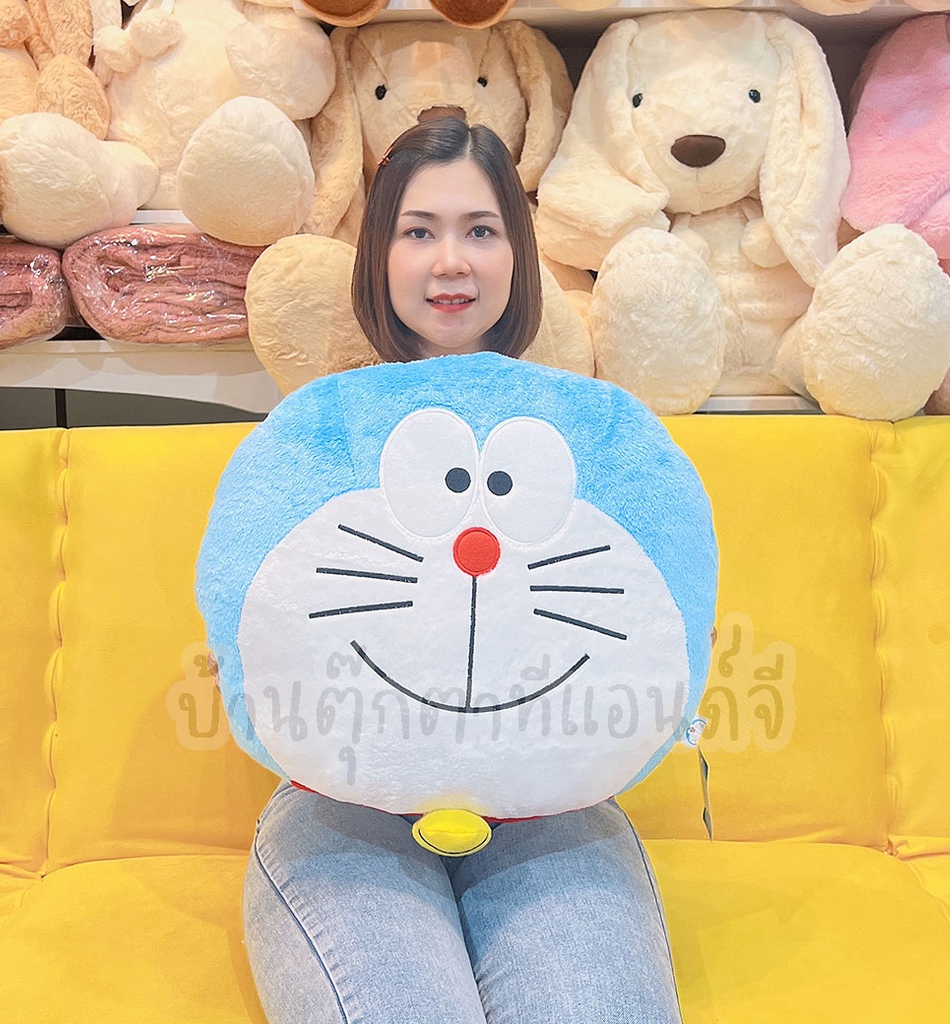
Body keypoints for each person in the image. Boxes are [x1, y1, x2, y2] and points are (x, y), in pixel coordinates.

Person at [241, 113, 685, 1024]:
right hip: (345, 804)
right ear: (379, 255)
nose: (451, 262)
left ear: (517, 253)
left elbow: (656, 603)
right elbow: (251, 617)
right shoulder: (319, 433)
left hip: (553, 803)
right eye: (419, 232)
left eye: (480, 230)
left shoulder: (591, 435)